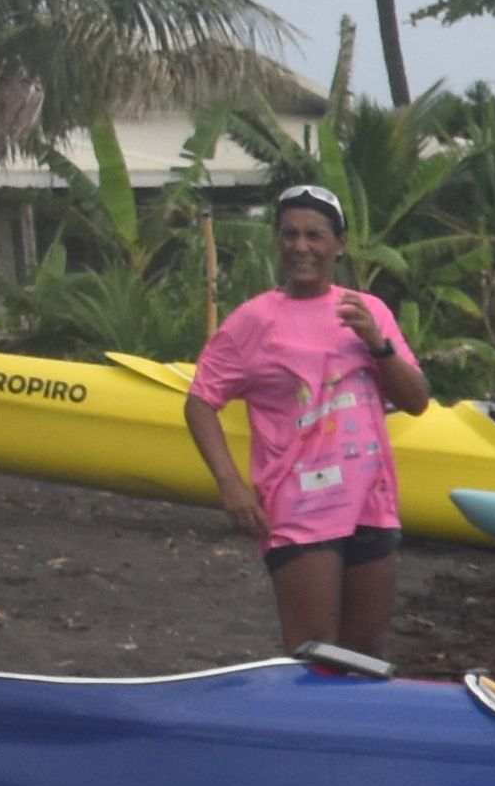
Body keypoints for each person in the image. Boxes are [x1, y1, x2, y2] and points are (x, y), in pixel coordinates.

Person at [181, 182, 430, 663]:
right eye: (289, 234)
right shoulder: (256, 320)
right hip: (300, 510)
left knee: (364, 655)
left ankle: (347, 741)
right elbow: (199, 402)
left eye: (314, 236)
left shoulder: (367, 311)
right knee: (314, 655)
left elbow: (416, 400)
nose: (301, 247)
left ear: (339, 245)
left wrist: (379, 344)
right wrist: (230, 484)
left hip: (371, 504)